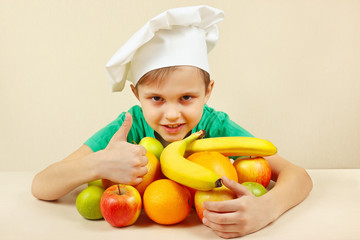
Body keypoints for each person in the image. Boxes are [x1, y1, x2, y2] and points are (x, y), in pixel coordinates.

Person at [32, 5, 312, 238]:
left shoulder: (216, 128)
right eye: (156, 99)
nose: (172, 114)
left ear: (208, 92)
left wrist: (268, 208)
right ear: (136, 95)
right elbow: (41, 185)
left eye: (187, 97)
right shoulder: (129, 128)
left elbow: (298, 176)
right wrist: (99, 163)